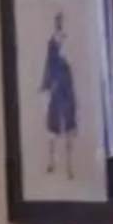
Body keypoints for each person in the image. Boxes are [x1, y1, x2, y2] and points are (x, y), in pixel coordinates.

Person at [39, 10, 81, 177]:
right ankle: (52, 162)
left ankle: (70, 167)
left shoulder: (68, 41)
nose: (59, 24)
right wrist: (46, 84)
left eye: (61, 21)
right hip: (57, 90)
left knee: (69, 125)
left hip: (67, 89)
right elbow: (48, 65)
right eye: (57, 21)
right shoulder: (51, 44)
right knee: (53, 126)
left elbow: (71, 64)